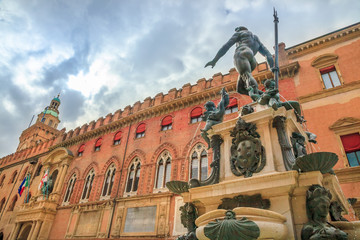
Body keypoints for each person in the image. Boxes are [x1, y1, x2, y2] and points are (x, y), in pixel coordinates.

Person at [205, 26, 274, 97]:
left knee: (247, 76)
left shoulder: (240, 33)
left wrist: (214, 60)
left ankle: (258, 98)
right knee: (240, 89)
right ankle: (263, 95)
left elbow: (226, 46)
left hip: (242, 53)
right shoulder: (256, 39)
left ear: (238, 30)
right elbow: (267, 54)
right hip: (252, 61)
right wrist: (272, 67)